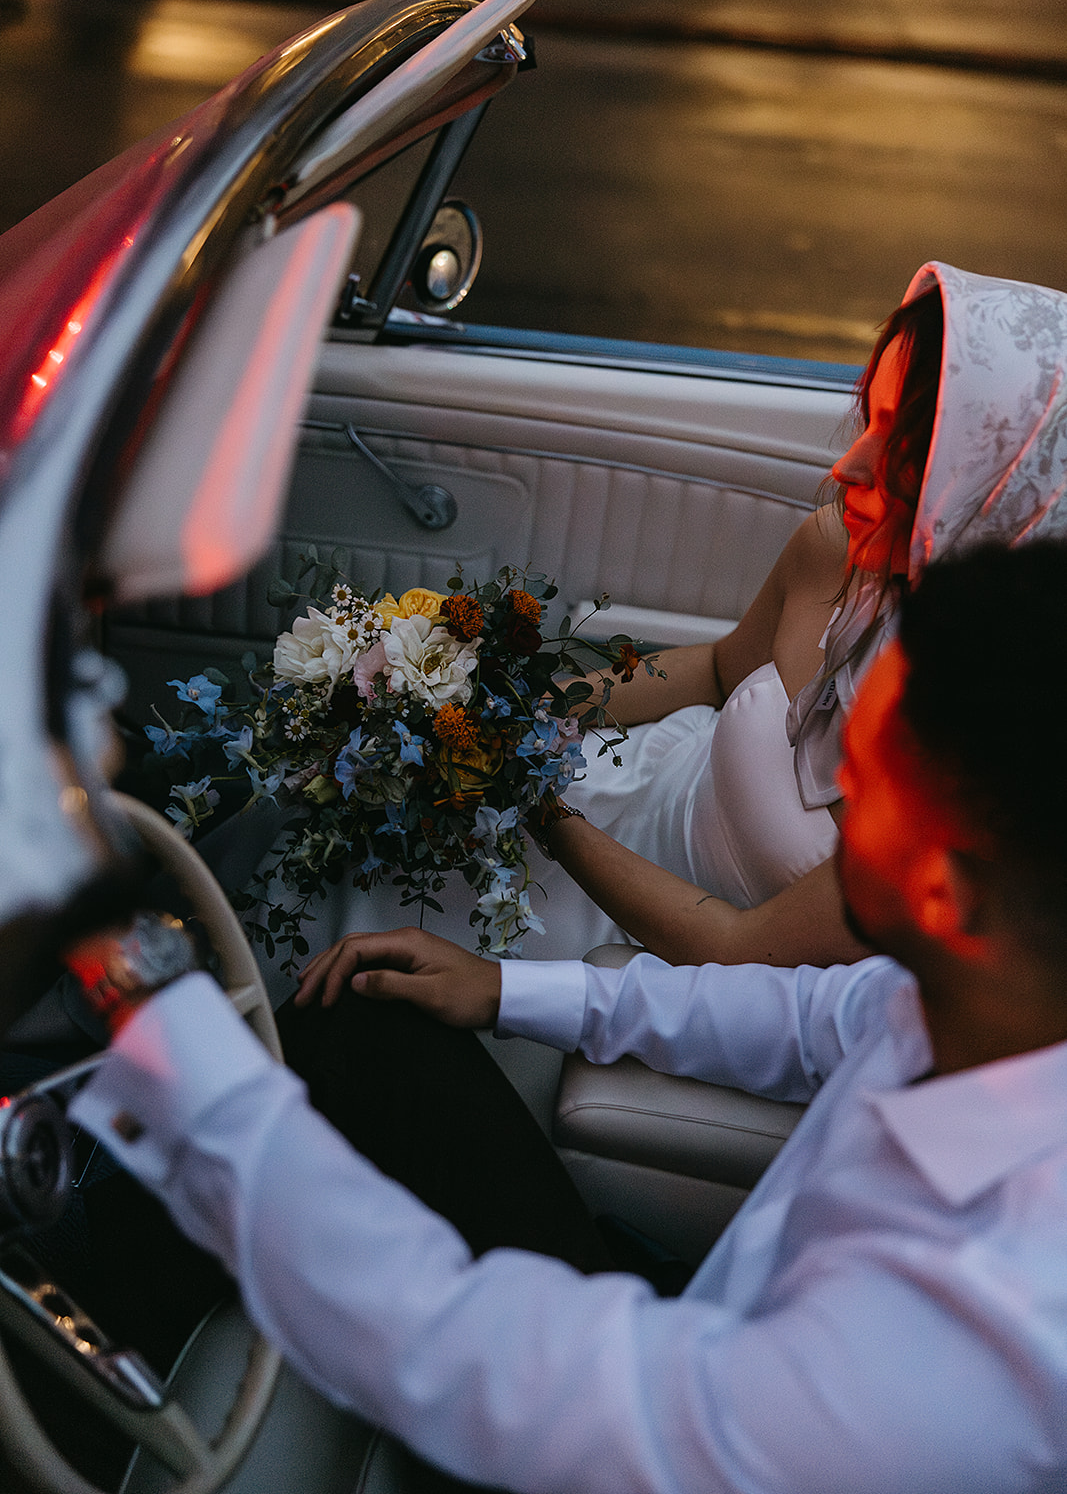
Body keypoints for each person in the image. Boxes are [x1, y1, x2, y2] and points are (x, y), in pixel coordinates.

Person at [68, 542, 1067, 1492]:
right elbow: (807, 1014)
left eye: (868, 777)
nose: (832, 795)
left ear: (943, 890)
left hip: (659, 1432)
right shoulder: (971, 995)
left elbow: (460, 1353)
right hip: (720, 1323)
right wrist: (504, 988)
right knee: (369, 1034)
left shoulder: (964, 1344)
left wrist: (138, 986)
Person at [303, 262, 1067, 976]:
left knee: (346, 937)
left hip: (641, 935)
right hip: (619, 785)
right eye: (867, 415)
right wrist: (507, 722)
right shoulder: (837, 551)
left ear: (999, 480)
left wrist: (526, 795)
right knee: (330, 845)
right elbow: (712, 669)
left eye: (902, 446)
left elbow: (733, 948)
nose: (848, 465)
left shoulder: (995, 748)